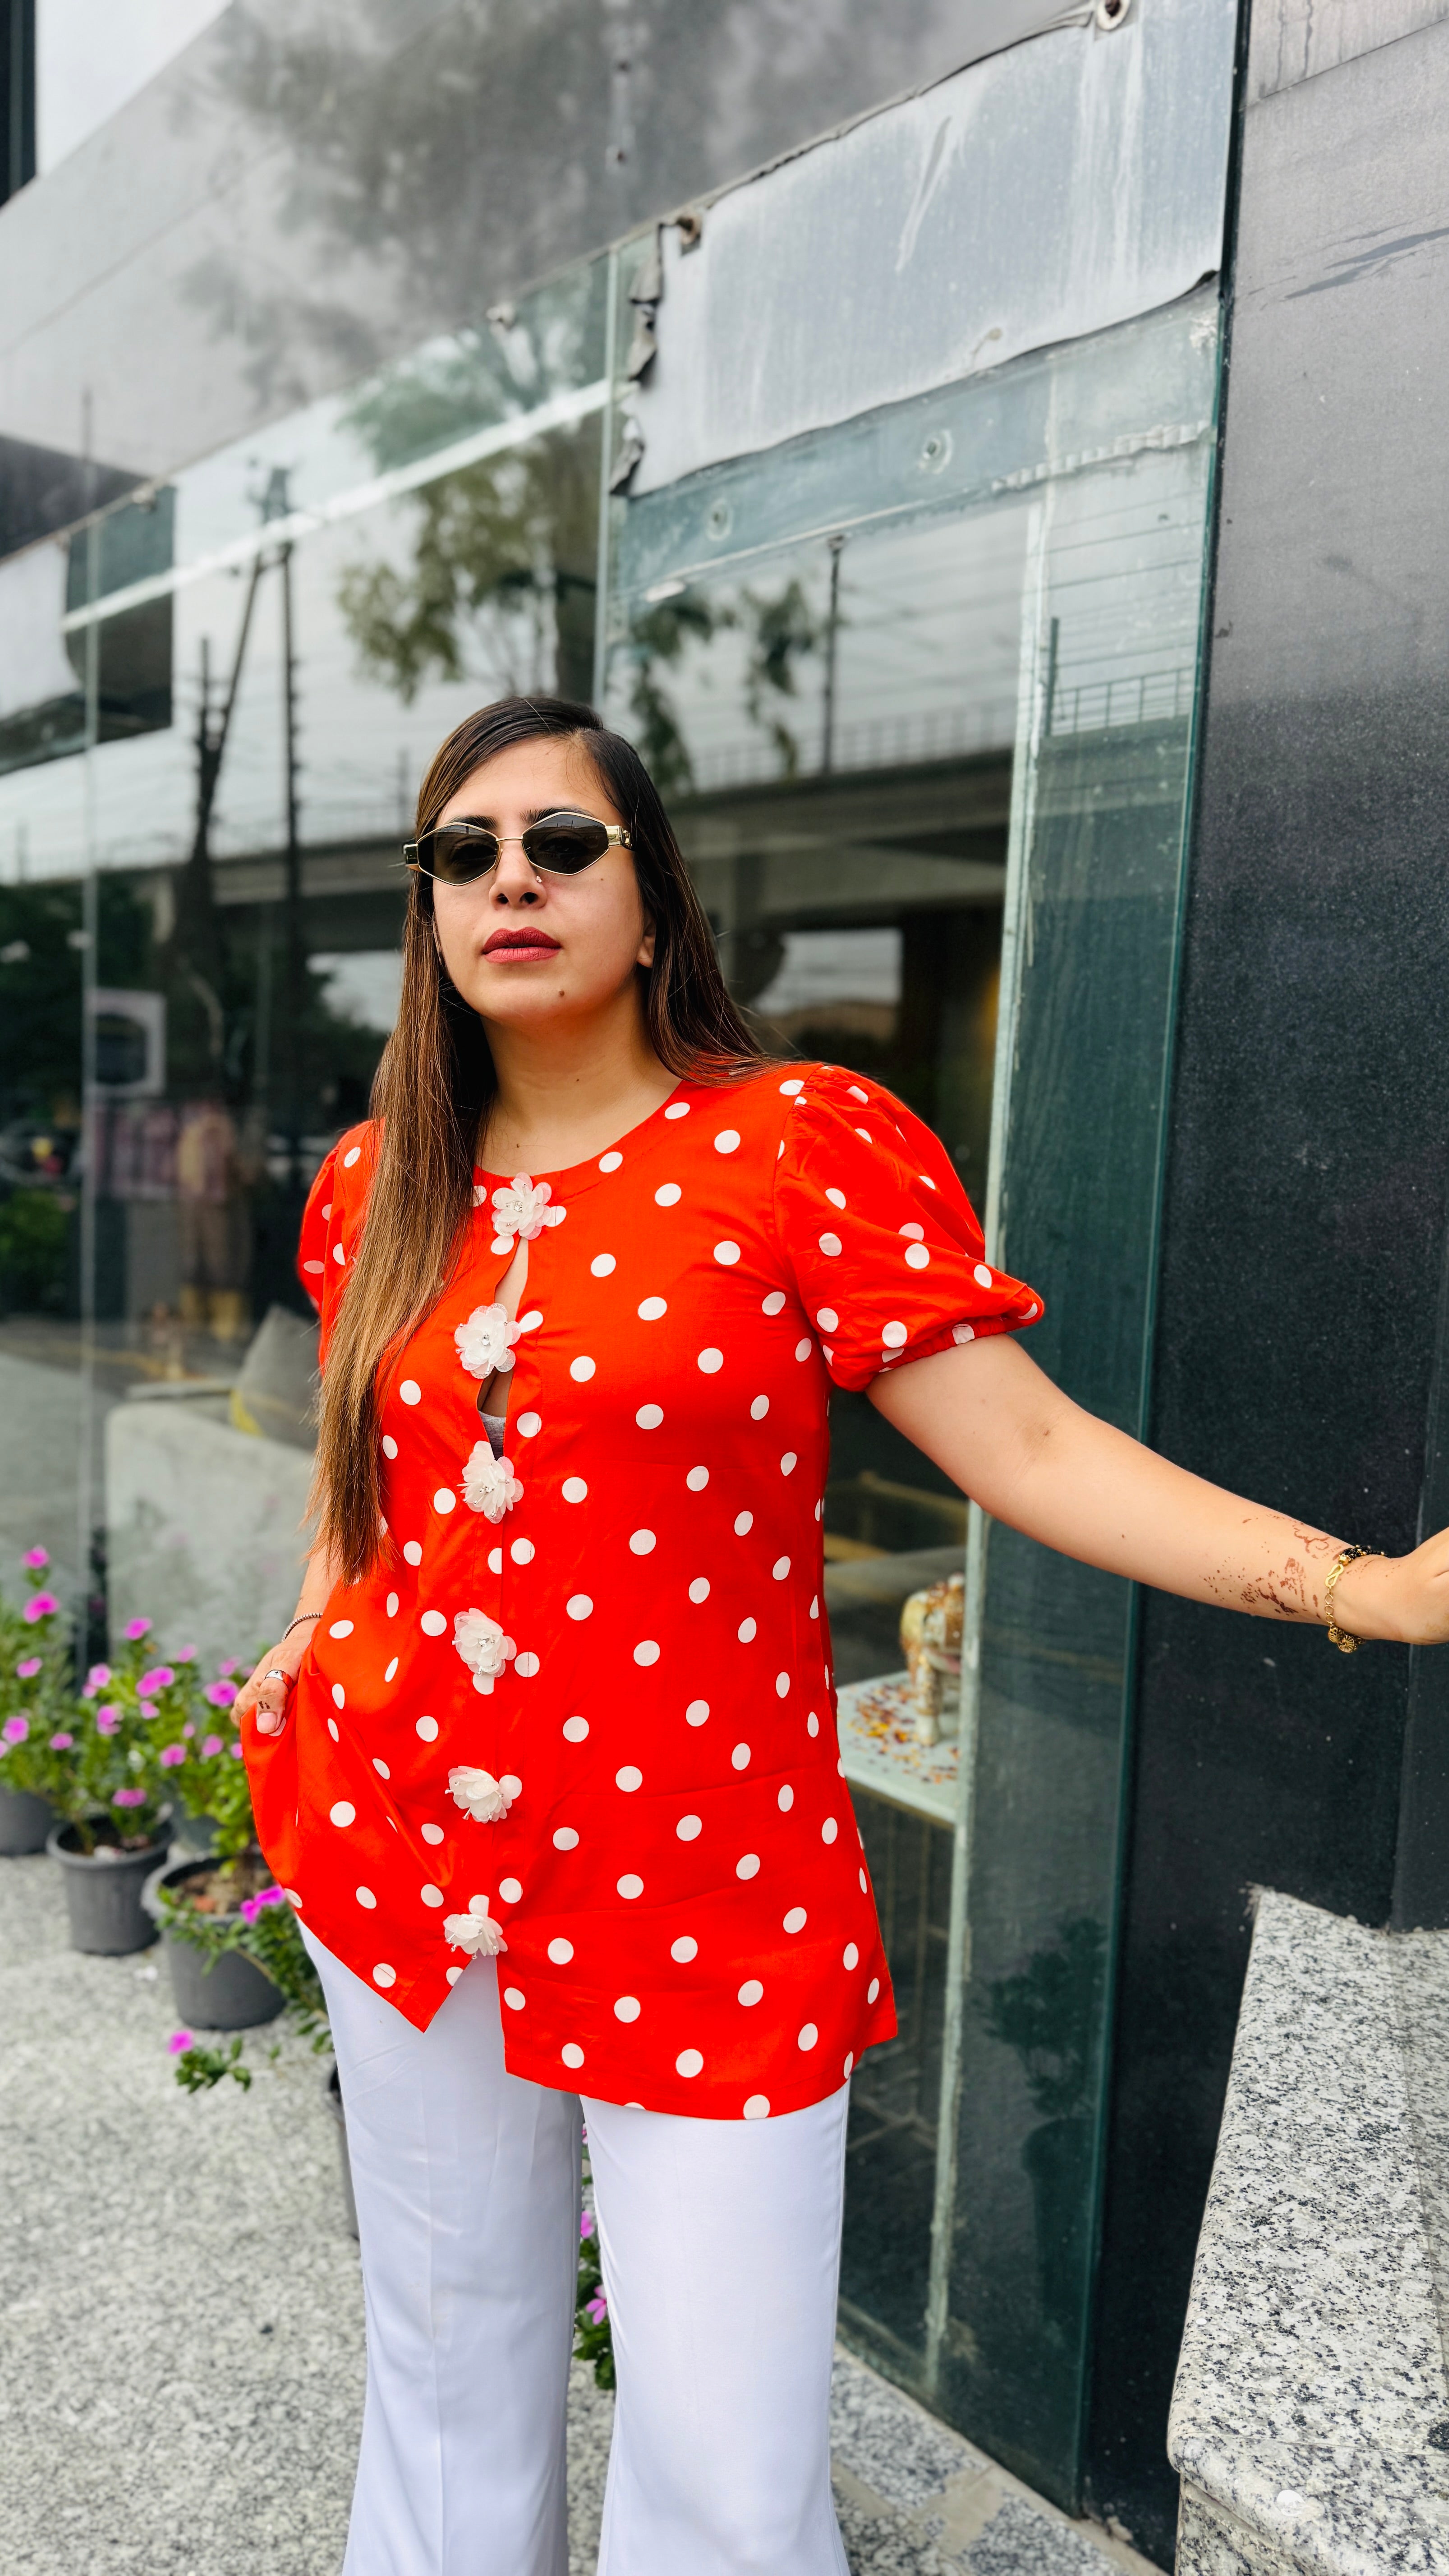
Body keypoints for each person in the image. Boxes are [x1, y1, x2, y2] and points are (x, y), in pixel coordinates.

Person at [237, 695, 1449, 2576]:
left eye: (563, 843)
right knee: (448, 2368)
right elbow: (367, 1455)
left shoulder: (799, 1144)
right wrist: (314, 1620)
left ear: (655, 899)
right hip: (403, 1860)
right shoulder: (375, 1180)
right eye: (461, 855)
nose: (510, 882)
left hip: (707, 1887)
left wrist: (1355, 1586)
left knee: (724, 2475)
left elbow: (1033, 1445)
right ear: (427, 914)